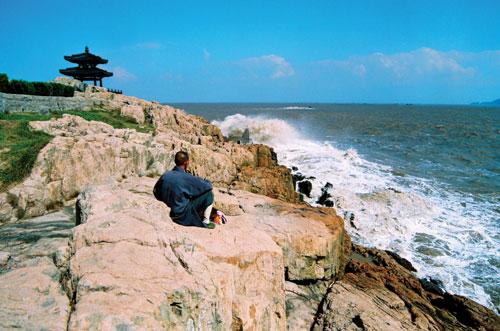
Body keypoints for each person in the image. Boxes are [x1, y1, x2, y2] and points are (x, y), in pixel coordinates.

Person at [153, 151, 215, 228]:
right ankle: (206, 221)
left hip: (168, 211)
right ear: (186, 162)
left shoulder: (166, 174)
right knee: (209, 194)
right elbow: (208, 187)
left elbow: (155, 191)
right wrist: (207, 181)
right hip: (180, 215)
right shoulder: (186, 177)